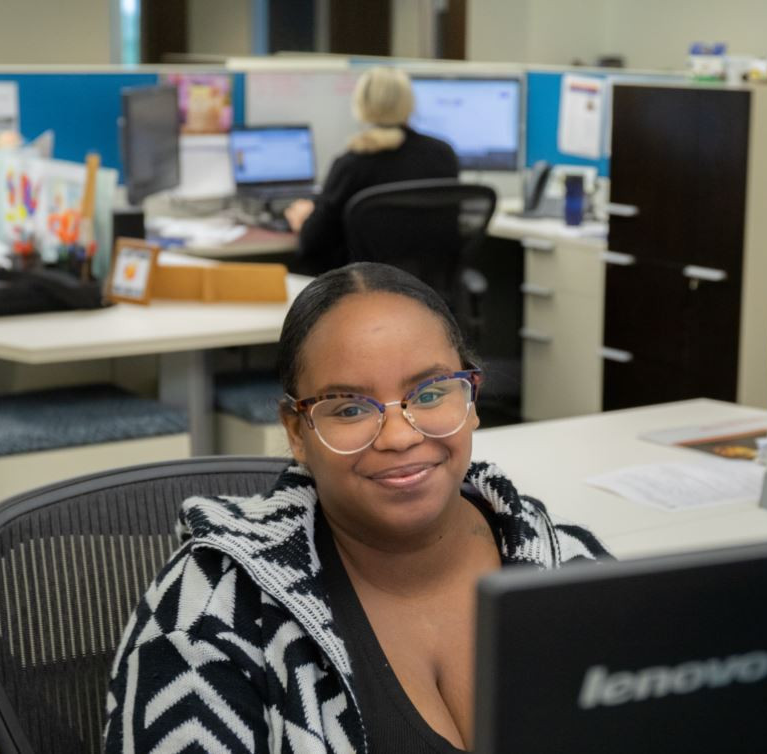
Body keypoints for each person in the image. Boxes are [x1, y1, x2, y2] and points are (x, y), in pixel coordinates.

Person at [104, 262, 608, 753]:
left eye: (430, 392)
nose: (399, 436)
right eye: (349, 408)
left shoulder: (568, 563)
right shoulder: (213, 611)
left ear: (471, 400)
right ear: (297, 431)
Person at [285, 67, 459, 275]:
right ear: (409, 104)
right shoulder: (442, 154)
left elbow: (312, 243)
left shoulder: (352, 164)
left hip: (367, 290)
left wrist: (304, 220)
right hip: (427, 291)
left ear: (361, 106)